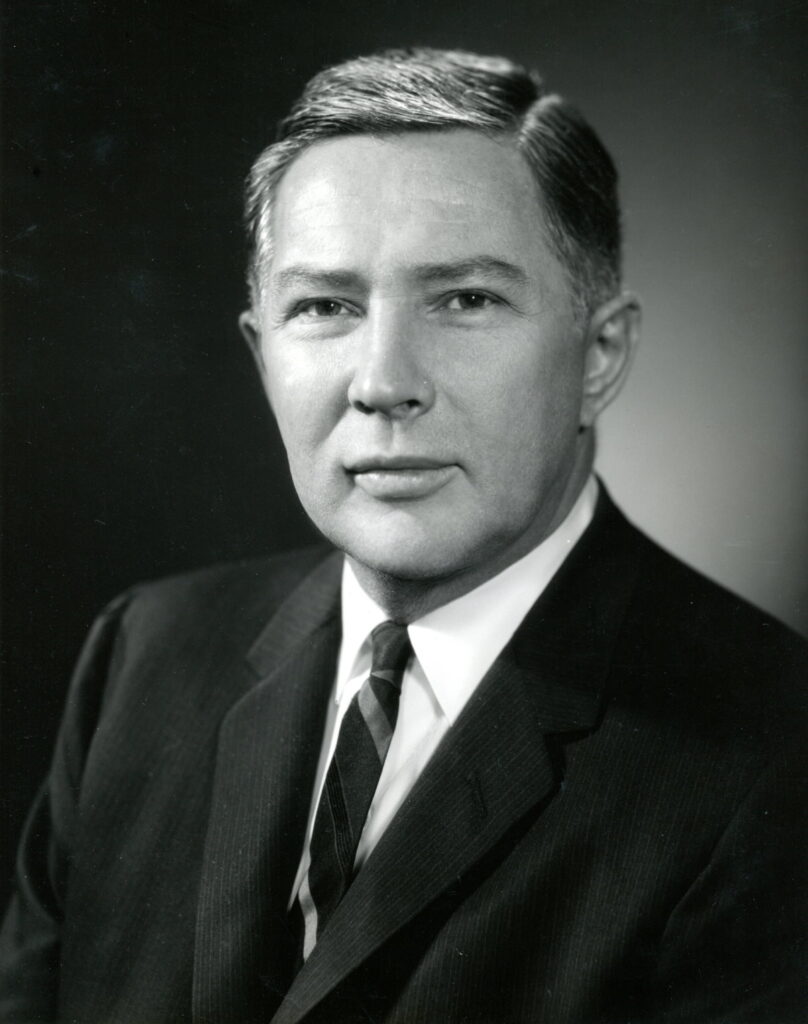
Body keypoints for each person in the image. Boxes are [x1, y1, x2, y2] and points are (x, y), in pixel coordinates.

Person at [1, 47, 805, 1024]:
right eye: (325, 307)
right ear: (263, 355)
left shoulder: (772, 757)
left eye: (464, 299)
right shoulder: (142, 656)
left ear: (600, 355)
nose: (384, 381)